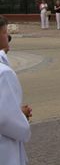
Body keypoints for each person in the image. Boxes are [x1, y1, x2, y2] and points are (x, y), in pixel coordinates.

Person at [0, 15, 32, 165]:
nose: (8, 37)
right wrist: (21, 115)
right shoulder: (3, 73)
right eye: (5, 33)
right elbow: (6, 120)